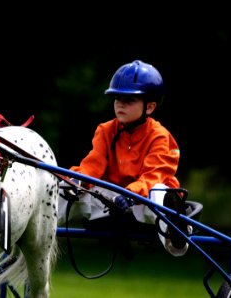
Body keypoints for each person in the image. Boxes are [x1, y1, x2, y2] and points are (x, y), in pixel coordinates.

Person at [58, 60, 192, 257]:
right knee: (65, 185)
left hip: (146, 204)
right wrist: (76, 181)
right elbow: (92, 167)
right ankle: (35, 234)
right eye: (117, 98)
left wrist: (131, 194)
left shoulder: (160, 136)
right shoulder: (105, 130)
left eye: (129, 100)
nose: (120, 104)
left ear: (150, 107)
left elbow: (154, 175)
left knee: (158, 191)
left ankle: (177, 236)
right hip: (113, 202)